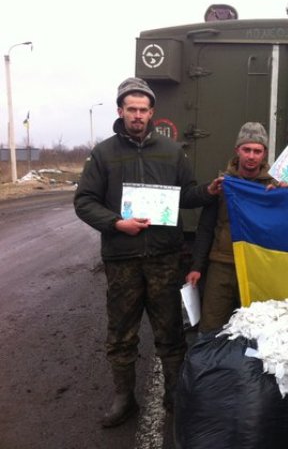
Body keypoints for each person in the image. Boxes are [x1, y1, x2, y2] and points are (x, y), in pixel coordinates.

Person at [74, 77, 219, 428]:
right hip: (122, 260)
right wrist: (116, 223)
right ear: (120, 111)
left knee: (170, 331)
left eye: (143, 109)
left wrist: (208, 191)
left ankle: (174, 394)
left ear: (152, 112)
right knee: (121, 333)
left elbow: (184, 195)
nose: (137, 115)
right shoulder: (103, 154)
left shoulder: (172, 153)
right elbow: (84, 201)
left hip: (163, 259)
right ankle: (124, 398)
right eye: (131, 109)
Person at [186, 122, 278, 334]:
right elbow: (206, 228)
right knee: (211, 327)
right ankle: (209, 366)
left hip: (258, 267)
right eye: (247, 149)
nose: (251, 156)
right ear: (238, 150)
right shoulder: (222, 184)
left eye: (257, 151)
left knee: (256, 331)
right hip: (222, 265)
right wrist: (196, 266)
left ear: (264, 154)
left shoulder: (273, 187)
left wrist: (284, 196)